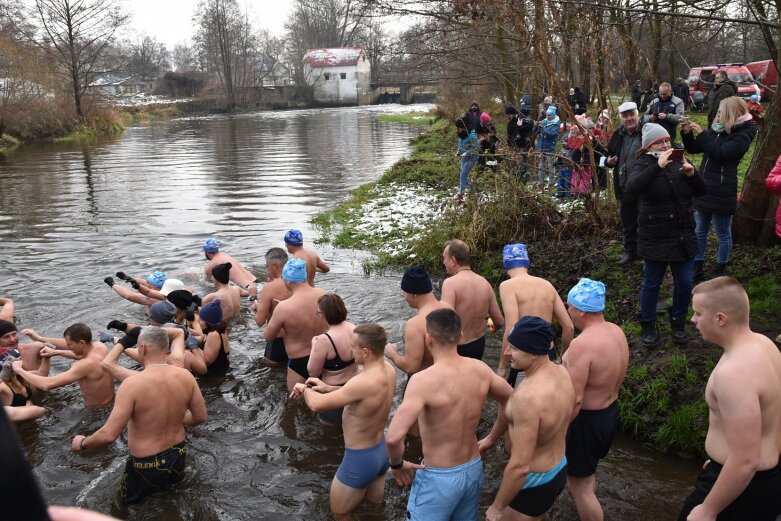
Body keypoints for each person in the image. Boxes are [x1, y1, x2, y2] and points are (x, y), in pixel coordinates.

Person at [386, 308, 513, 521]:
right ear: (460, 337)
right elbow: (512, 399)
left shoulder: (422, 381)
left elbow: (393, 437)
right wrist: (491, 439)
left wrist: (397, 465)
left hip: (439, 477)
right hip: (473, 469)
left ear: (428, 340)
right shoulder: (480, 369)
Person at [679, 277, 781, 521]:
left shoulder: (735, 372)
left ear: (720, 318)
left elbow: (746, 459)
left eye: (698, 313)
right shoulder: (765, 344)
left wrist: (708, 510)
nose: (692, 320)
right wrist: (718, 460)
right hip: (764, 477)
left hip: (744, 487)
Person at [71, 326, 207, 505]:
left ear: (142, 348)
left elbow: (109, 434)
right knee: (170, 498)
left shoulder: (132, 384)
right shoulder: (185, 376)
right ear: (165, 346)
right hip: (178, 454)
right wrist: (175, 415)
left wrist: (82, 442)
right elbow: (200, 417)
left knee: (124, 506)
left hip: (147, 463)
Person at [289, 323, 396, 517]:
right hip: (380, 453)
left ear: (365, 351)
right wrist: (327, 387)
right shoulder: (388, 370)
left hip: (359, 459)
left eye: (353, 346)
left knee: (339, 513)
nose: (350, 350)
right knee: (376, 508)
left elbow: (317, 405)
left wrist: (304, 389)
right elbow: (362, 395)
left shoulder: (361, 381)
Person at [481, 316, 575, 521]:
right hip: (558, 468)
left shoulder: (527, 398)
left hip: (533, 480)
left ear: (533, 352)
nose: (506, 352)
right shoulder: (562, 371)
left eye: (513, 348)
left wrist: (497, 507)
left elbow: (520, 466)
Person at [624, 123, 706, 347]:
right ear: (650, 145)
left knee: (685, 282)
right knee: (652, 284)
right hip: (655, 236)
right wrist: (657, 167)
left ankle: (678, 321)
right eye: (660, 141)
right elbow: (631, 189)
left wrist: (692, 175)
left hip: (683, 234)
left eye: (668, 140)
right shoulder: (643, 163)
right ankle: (648, 324)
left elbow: (702, 190)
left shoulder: (680, 160)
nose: (666, 144)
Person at [562, 278, 629, 521]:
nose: (567, 310)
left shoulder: (583, 344)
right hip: (609, 413)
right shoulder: (615, 331)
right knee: (587, 477)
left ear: (580, 309)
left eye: (569, 306)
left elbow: (575, 399)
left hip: (586, 421)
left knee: (579, 488)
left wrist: (557, 431)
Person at [681, 96, 757, 280]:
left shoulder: (744, 133)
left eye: (721, 111)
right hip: (704, 187)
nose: (717, 115)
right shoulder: (717, 130)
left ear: (731, 113)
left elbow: (720, 153)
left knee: (723, 232)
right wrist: (686, 134)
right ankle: (697, 267)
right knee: (700, 229)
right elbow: (695, 149)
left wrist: (702, 134)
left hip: (723, 189)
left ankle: (720, 268)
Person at [496, 244, 574, 385]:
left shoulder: (507, 286)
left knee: (520, 402)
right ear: (526, 263)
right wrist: (562, 359)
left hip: (524, 356)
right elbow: (569, 326)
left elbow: (511, 328)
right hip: (547, 354)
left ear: (506, 264)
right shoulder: (547, 285)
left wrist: (501, 367)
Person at [12, 323, 114, 408]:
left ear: (82, 343)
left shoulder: (84, 365)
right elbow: (84, 356)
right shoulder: (100, 347)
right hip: (112, 402)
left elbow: (47, 385)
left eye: (69, 344)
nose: (67, 347)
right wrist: (52, 349)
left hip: (96, 411)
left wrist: (19, 370)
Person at [264, 258, 326, 391]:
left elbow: (269, 336)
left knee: (295, 401)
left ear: (287, 280)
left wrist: (277, 315)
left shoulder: (284, 308)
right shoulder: (323, 295)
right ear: (304, 277)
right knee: (321, 393)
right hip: (323, 355)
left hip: (299, 361)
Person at [440, 239, 504, 360]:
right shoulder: (484, 283)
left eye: (444, 258)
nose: (443, 262)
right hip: (478, 344)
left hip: (457, 348)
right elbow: (499, 321)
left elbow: (445, 322)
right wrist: (485, 326)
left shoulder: (450, 283)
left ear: (453, 260)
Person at [384, 265, 452, 376]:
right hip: (448, 377)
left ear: (414, 294)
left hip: (424, 384)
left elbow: (411, 367)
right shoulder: (449, 308)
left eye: (404, 292)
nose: (403, 296)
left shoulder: (414, 324)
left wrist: (392, 353)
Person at [306, 293, 358, 426]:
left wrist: (313, 346)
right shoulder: (353, 328)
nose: (318, 316)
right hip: (355, 389)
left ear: (324, 314)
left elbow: (313, 372)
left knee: (328, 432)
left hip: (332, 394)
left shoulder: (324, 339)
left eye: (319, 313)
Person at [607, 101, 645, 266]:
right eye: (625, 116)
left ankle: (646, 253)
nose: (629, 118)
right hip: (624, 186)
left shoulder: (646, 132)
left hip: (644, 186)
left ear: (638, 115)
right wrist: (608, 162)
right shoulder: (617, 134)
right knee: (628, 221)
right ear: (621, 118)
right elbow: (605, 156)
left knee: (645, 220)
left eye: (632, 115)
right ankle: (631, 252)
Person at [252, 247, 293, 366]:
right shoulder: (299, 282)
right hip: (297, 338)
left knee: (271, 368)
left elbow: (259, 321)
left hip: (277, 340)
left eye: (266, 266)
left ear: (274, 266)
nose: (266, 270)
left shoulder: (270, 287)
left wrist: (255, 303)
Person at [0, 351, 46, 422]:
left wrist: (46, 357)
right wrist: (4, 375)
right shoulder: (3, 385)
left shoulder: (22, 376)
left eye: (20, 359)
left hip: (32, 419)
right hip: (18, 426)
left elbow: (42, 374)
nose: (20, 361)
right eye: (18, 360)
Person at [104, 270, 178, 307]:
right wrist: (128, 278)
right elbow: (144, 282)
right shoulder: (167, 291)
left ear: (155, 287)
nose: (146, 283)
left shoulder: (155, 299)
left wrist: (112, 284)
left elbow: (128, 295)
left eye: (148, 283)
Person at [196, 299, 231, 375]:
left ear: (208, 322)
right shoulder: (216, 329)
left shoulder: (213, 335)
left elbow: (206, 361)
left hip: (215, 377)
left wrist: (194, 348)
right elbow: (202, 339)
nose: (198, 321)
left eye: (201, 319)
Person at [505, 104, 534, 179]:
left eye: (510, 114)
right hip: (515, 146)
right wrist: (510, 145)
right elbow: (510, 135)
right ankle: (516, 177)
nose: (509, 116)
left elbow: (530, 128)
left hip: (523, 144)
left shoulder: (522, 119)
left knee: (524, 162)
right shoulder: (509, 123)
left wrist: (520, 125)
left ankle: (523, 177)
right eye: (508, 115)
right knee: (515, 162)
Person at [535, 105, 560, 190]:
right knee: (541, 166)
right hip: (541, 147)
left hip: (550, 147)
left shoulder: (556, 124)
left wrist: (542, 129)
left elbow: (551, 134)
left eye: (550, 115)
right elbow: (534, 131)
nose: (548, 116)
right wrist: (536, 126)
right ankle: (540, 183)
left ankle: (551, 183)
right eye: (547, 115)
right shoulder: (544, 121)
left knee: (551, 166)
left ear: (553, 115)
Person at [454, 118, 480, 200]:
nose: (457, 130)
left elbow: (477, 148)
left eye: (458, 128)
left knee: (462, 175)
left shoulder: (472, 136)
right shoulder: (461, 135)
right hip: (464, 158)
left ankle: (460, 194)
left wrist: (467, 153)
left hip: (472, 158)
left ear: (464, 128)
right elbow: (460, 145)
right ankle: (474, 192)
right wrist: (458, 152)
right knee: (464, 176)